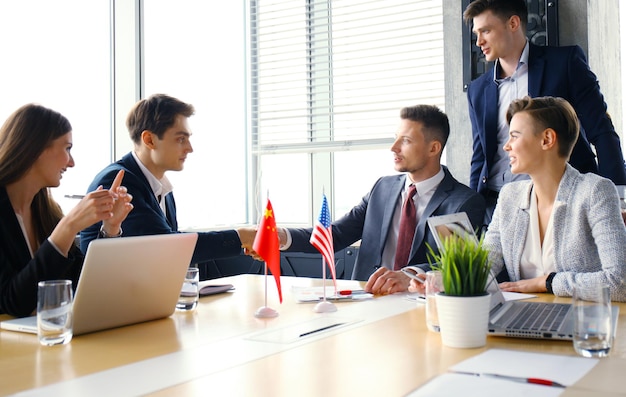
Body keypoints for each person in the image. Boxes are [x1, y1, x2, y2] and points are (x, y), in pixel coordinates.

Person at [244, 104, 486, 295]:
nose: (393, 147)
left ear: (434, 148)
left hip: (420, 308)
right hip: (366, 300)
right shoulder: (382, 188)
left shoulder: (463, 202)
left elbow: (457, 268)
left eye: (406, 141)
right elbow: (334, 235)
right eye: (395, 137)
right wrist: (281, 238)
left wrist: (408, 276)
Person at [411, 96, 626, 301]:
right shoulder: (510, 197)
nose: (506, 146)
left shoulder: (595, 191)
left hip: (582, 323)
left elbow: (620, 282)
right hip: (522, 319)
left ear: (547, 139)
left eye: (514, 135)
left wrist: (547, 283)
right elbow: (484, 268)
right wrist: (439, 281)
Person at [463, 0, 626, 224]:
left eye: (486, 31)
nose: (479, 41)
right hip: (497, 206)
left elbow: (602, 130)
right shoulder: (477, 90)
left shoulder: (564, 63)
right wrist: (473, 211)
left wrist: (617, 195)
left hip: (563, 199)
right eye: (476, 33)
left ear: (513, 23)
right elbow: (479, 156)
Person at [80, 94, 252, 266]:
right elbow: (166, 247)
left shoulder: (160, 185)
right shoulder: (120, 181)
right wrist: (241, 237)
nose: (189, 148)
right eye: (181, 139)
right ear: (149, 140)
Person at [0, 104, 133, 317]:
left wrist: (110, 227)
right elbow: (13, 303)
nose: (71, 162)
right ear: (36, 148)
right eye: (67, 148)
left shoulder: (46, 212)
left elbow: (82, 284)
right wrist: (69, 226)